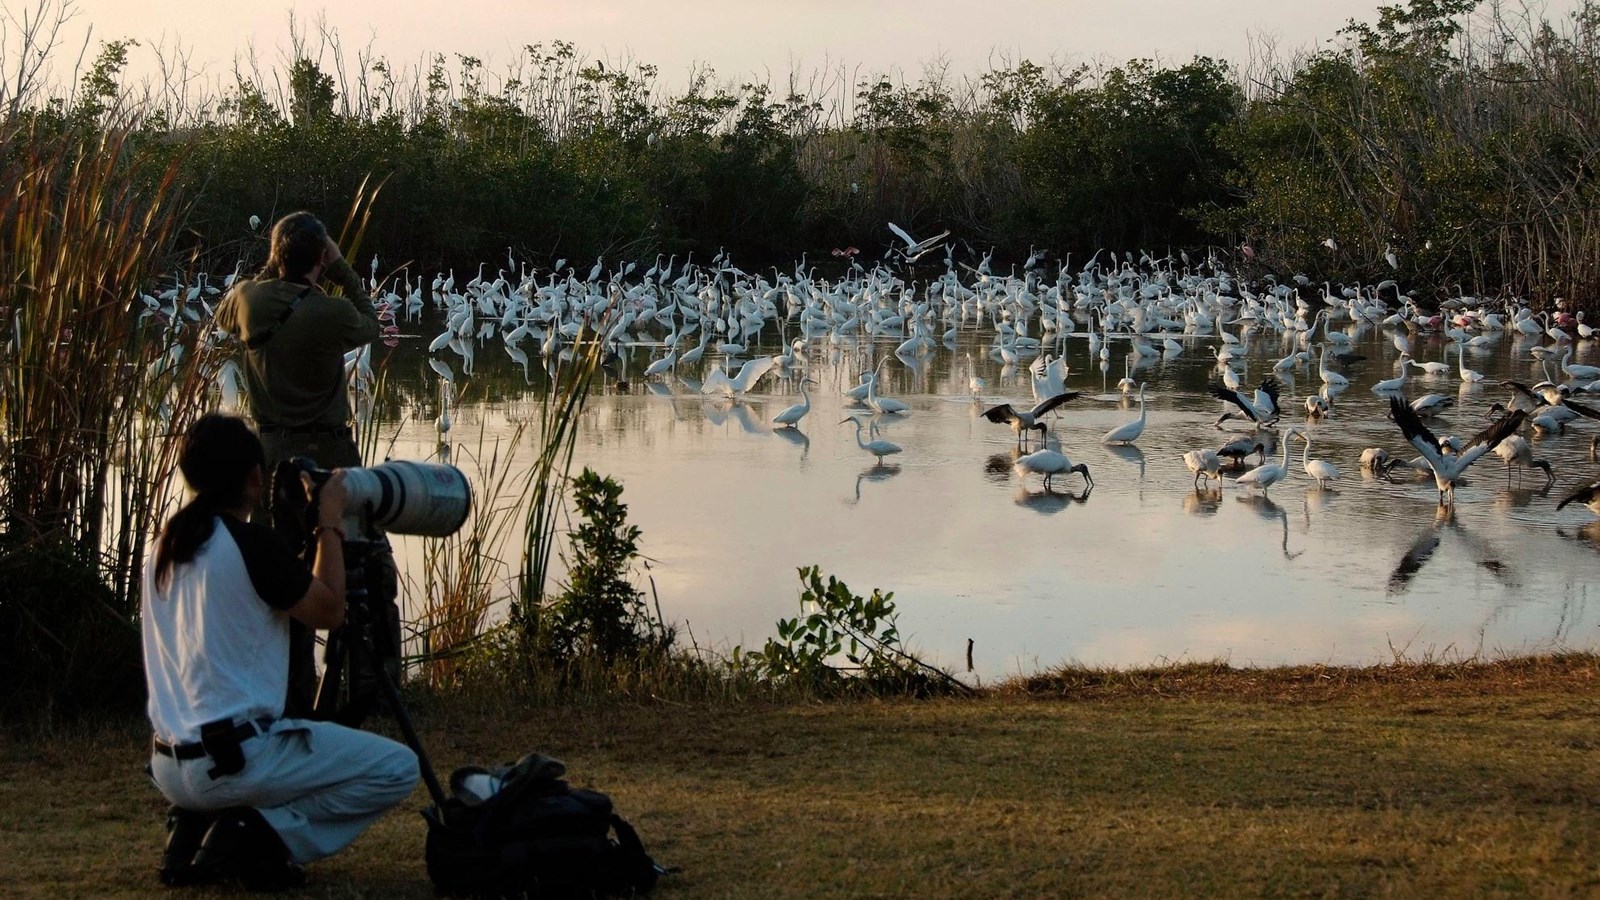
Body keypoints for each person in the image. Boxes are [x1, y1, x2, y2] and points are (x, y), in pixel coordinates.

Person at [143, 413, 418, 889]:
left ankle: (197, 827)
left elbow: (273, 593)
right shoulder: (249, 545)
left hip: (170, 767)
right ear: (254, 477)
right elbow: (330, 610)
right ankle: (255, 836)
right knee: (398, 768)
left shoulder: (164, 546)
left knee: (263, 754)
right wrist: (329, 522)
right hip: (236, 762)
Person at [215, 212, 388, 714]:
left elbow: (226, 311)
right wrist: (342, 273)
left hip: (269, 460)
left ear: (276, 257)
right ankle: (364, 688)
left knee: (280, 576)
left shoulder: (248, 300)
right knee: (360, 565)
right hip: (331, 458)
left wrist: (275, 267)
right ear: (321, 257)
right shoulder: (329, 313)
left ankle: (290, 694)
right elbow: (371, 324)